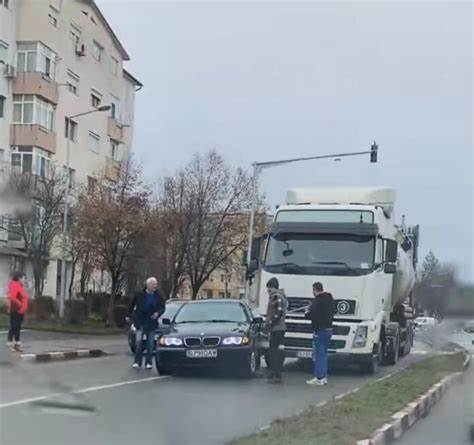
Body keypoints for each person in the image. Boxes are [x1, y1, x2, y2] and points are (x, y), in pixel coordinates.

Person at [127, 277, 166, 370]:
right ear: (147, 285)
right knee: (138, 342)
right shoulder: (139, 294)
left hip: (151, 322)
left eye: (156, 284)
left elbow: (162, 307)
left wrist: (157, 313)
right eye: (153, 284)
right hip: (140, 321)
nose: (155, 286)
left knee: (150, 344)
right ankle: (137, 362)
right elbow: (131, 304)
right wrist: (128, 315)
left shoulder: (158, 295)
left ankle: (148, 363)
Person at [305, 282, 334, 386]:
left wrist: (307, 311)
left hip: (319, 330)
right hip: (329, 329)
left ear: (314, 290)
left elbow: (311, 314)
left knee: (319, 354)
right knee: (324, 353)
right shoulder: (330, 299)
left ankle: (319, 377)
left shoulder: (317, 301)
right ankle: (324, 376)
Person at [263, 277, 288, 384]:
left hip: (277, 328)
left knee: (273, 352)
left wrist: (270, 323)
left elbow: (278, 312)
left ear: (273, 288)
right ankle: (274, 373)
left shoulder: (277, 296)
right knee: (274, 351)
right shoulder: (278, 296)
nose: (268, 292)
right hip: (278, 328)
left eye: (269, 289)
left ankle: (276, 374)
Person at [7, 271, 29, 352]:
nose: (24, 280)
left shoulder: (21, 286)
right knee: (14, 326)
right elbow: (12, 297)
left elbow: (24, 297)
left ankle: (17, 345)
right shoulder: (15, 285)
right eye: (23, 278)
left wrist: (23, 307)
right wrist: (20, 304)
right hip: (16, 310)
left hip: (21, 311)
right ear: (19, 278)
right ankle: (10, 343)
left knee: (17, 327)